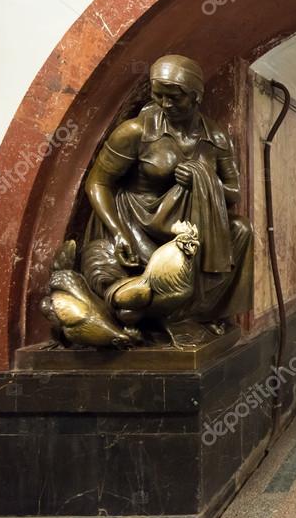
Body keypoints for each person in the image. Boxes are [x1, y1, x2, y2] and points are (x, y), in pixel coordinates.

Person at [83, 54, 252, 330]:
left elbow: (234, 193)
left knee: (242, 229)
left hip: (191, 225)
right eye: (159, 96)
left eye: (174, 98)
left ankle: (203, 313)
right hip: (140, 222)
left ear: (196, 97)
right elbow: (98, 182)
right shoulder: (135, 132)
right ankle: (149, 315)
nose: (165, 104)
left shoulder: (215, 137)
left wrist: (204, 177)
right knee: (144, 281)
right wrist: (118, 231)